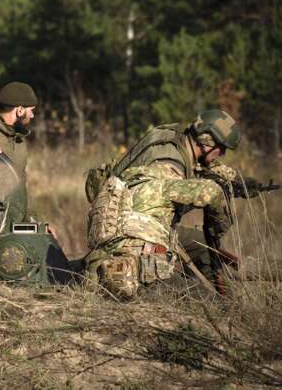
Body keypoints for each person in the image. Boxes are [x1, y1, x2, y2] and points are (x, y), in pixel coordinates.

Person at [84, 109, 240, 298]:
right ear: (207, 140)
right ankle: (221, 301)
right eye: (221, 147)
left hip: (119, 228)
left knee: (201, 245)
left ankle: (219, 291)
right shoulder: (169, 167)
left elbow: (206, 169)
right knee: (203, 298)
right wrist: (218, 229)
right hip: (138, 250)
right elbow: (211, 193)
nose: (222, 153)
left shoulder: (169, 141)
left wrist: (237, 182)